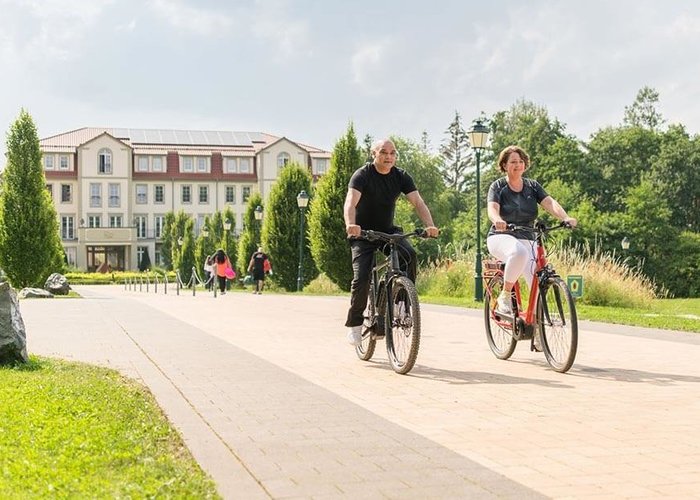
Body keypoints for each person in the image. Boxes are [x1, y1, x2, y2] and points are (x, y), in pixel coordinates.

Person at [343, 138, 439, 346]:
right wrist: (351, 224)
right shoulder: (363, 175)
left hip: (387, 231)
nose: (388, 156)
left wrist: (430, 225)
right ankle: (355, 324)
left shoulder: (401, 176)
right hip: (363, 233)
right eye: (383, 152)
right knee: (362, 277)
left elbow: (418, 202)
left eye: (392, 153)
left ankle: (401, 305)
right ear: (374, 154)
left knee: (409, 255)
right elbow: (350, 202)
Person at [487, 145, 578, 320]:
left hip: (528, 236)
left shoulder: (532, 186)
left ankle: (537, 329)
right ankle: (505, 295)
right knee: (518, 253)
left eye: (521, 161)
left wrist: (565, 217)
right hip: (501, 236)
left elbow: (550, 203)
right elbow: (492, 208)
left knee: (537, 280)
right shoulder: (498, 186)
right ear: (504, 165)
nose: (518, 165)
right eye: (513, 162)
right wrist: (497, 219)